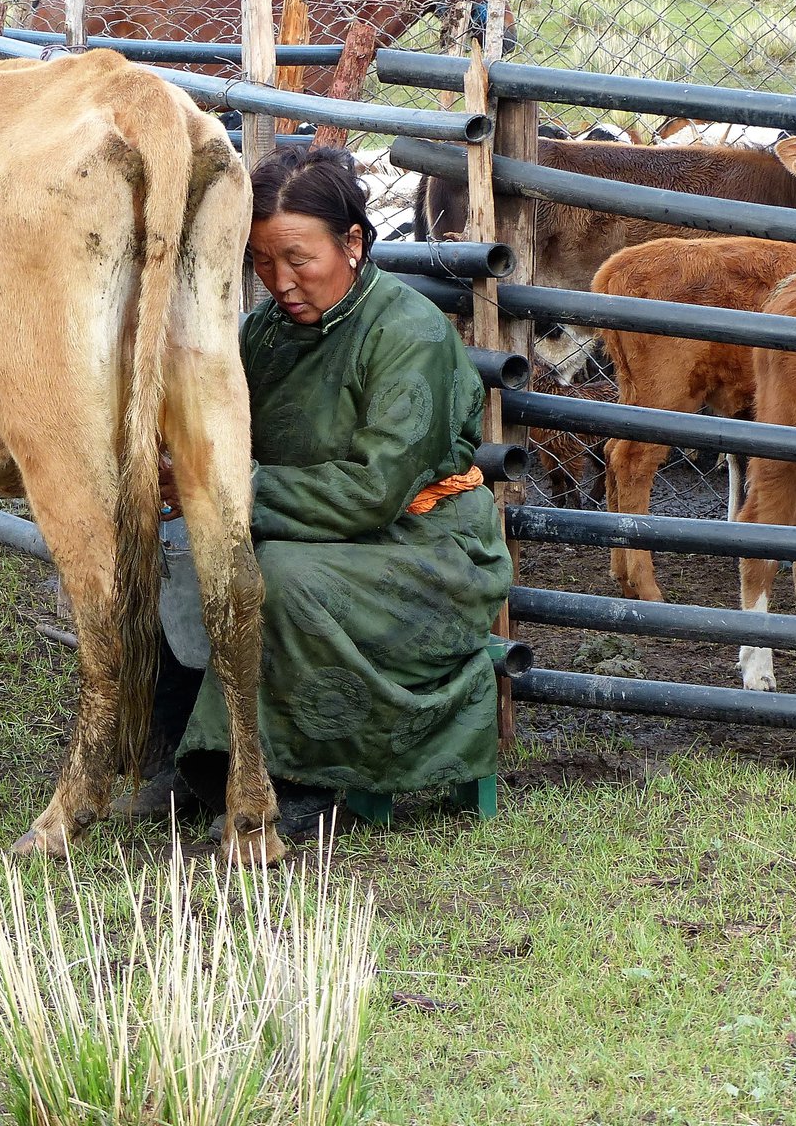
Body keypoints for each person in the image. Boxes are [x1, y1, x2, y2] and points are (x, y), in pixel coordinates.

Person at [125, 145, 513, 838]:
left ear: (354, 242)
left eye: (298, 259)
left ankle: (305, 782)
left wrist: (226, 487)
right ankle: (192, 762)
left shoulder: (407, 333)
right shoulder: (264, 334)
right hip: (311, 534)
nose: (279, 280)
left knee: (275, 576)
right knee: (161, 552)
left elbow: (373, 492)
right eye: (262, 262)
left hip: (427, 551)